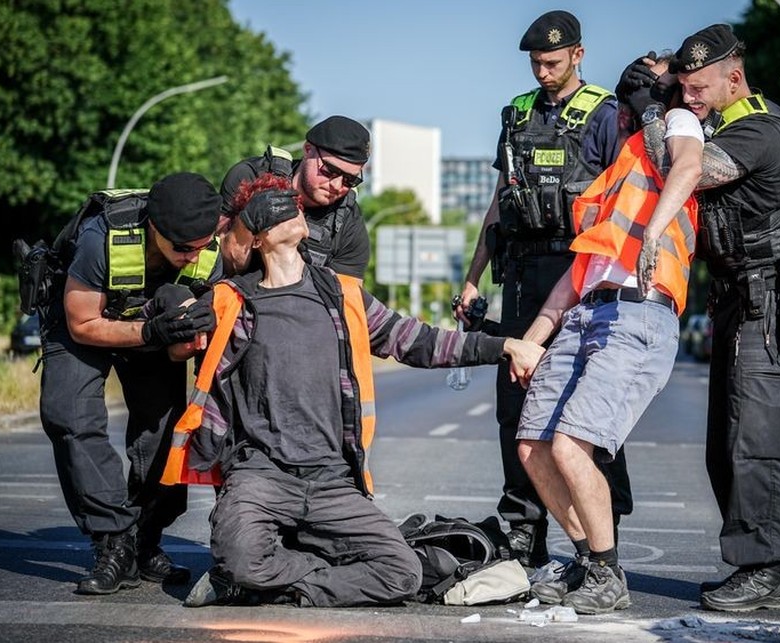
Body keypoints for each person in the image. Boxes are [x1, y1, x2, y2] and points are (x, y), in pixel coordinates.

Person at [163, 176, 545, 608]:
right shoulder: (229, 302)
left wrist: (505, 346)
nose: (293, 209)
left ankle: (283, 585)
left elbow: (419, 341)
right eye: (276, 207)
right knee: (241, 560)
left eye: (295, 207)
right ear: (259, 237)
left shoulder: (344, 298)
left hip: (332, 482)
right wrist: (170, 305)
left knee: (403, 573)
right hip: (260, 477)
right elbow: (176, 337)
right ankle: (258, 577)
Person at [636, 24, 780, 612]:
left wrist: (654, 113)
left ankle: (768, 572)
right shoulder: (730, 118)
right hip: (741, 299)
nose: (691, 99)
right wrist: (663, 88)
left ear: (733, 78)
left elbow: (685, 170)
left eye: (699, 88)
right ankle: (759, 564)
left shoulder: (759, 129)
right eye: (684, 88)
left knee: (756, 443)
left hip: (767, 302)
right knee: (727, 444)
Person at [515, 55, 703, 614]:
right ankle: (588, 561)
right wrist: (532, 337)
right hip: (586, 311)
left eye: (655, 80)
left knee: (573, 445)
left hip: (638, 312)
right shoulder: (614, 168)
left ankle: (605, 573)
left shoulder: (677, 127)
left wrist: (654, 235)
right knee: (533, 446)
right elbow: (578, 275)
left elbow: (689, 168)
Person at [454, 9, 631, 568]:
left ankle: (604, 527)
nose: (542, 71)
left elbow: (627, 199)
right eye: (534, 62)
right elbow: (500, 203)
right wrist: (472, 273)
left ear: (578, 54)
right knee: (517, 403)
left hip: (581, 278)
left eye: (552, 61)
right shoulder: (517, 115)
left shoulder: (607, 114)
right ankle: (524, 529)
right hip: (523, 278)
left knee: (583, 411)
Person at [38, 173, 223, 595]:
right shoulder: (100, 238)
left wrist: (185, 335)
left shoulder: (207, 249)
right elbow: (83, 324)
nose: (190, 255)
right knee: (68, 415)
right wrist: (150, 334)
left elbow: (183, 352)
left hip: (152, 322)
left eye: (199, 245)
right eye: (181, 247)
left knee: (164, 430)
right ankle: (113, 540)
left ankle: (144, 539)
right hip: (85, 321)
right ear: (153, 227)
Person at [218, 115, 371, 279]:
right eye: (329, 171)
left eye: (350, 180)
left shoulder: (349, 219)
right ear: (307, 150)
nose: (337, 185)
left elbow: (346, 297)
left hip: (303, 303)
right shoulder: (251, 177)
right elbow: (224, 265)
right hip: (235, 296)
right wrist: (246, 224)